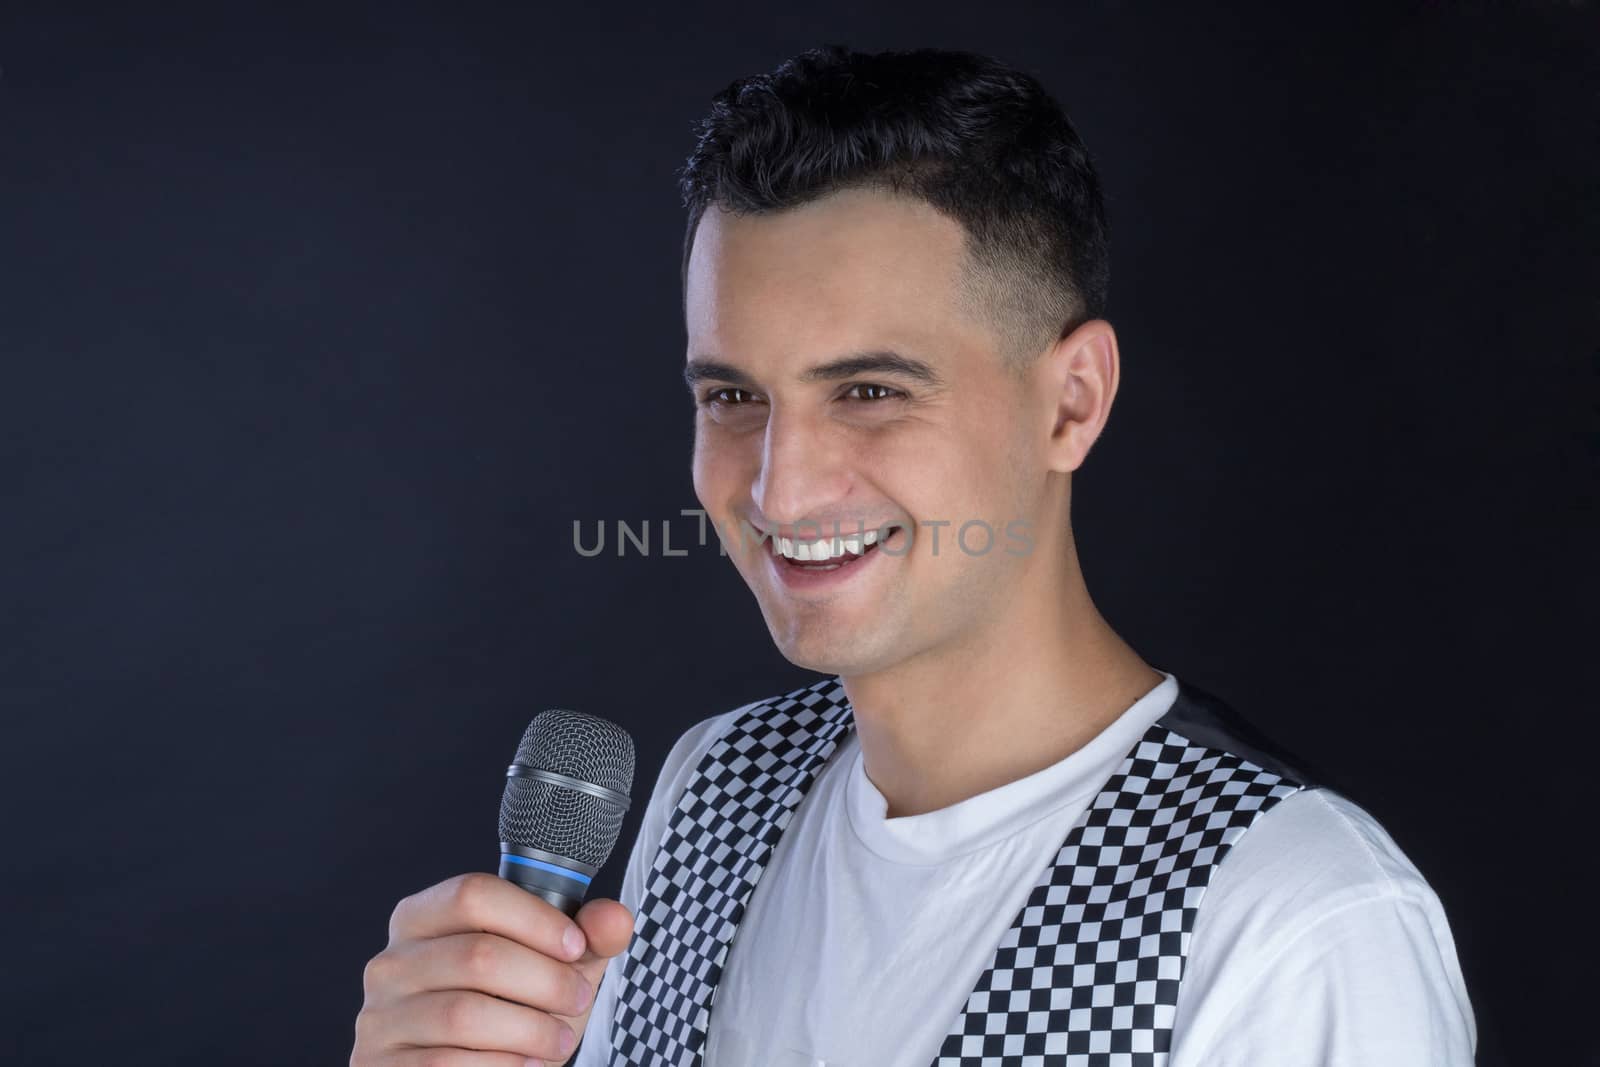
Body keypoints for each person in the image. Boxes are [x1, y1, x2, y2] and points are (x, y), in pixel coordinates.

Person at [351, 44, 1477, 1067]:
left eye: (870, 391)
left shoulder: (1290, 915)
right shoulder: (708, 791)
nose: (780, 486)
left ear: (1070, 402)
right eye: (735, 396)